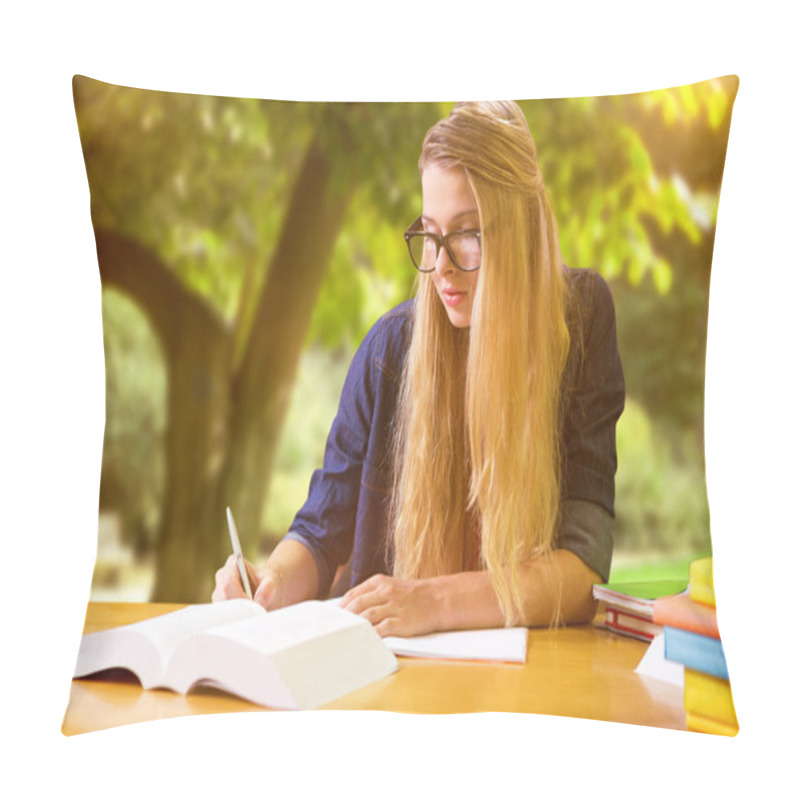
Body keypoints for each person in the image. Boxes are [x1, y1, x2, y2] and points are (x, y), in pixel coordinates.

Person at [213, 101, 625, 637]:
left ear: (522, 229)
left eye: (469, 233)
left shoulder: (580, 319)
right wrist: (269, 583)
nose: (443, 266)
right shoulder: (390, 350)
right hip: (390, 673)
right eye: (431, 234)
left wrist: (431, 602)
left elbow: (583, 569)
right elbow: (320, 532)